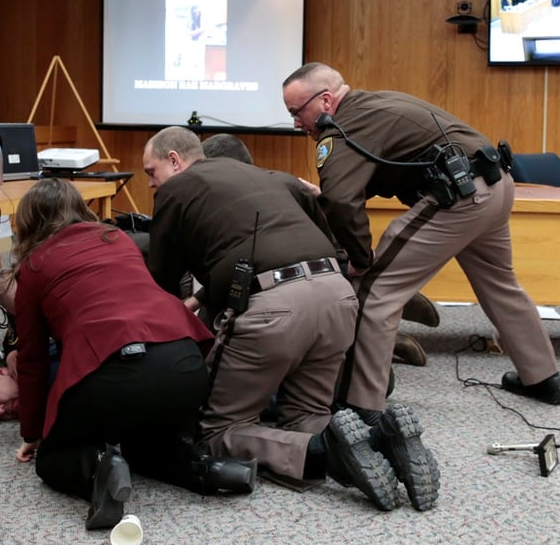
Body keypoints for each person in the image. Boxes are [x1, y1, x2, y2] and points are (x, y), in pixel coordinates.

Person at [143, 126, 440, 512]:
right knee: (306, 414)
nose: (151, 184)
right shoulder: (277, 178)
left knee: (214, 431)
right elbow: (335, 245)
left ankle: (326, 453)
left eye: (151, 172)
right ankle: (381, 437)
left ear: (174, 160)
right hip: (337, 298)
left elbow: (162, 280)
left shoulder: (176, 189)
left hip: (274, 309)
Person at [280, 62, 560, 422]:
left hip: (458, 197)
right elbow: (366, 179)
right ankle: (542, 378)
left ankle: (361, 405)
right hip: (496, 185)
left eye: (296, 112)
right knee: (500, 285)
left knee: (375, 290)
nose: (295, 122)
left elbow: (341, 202)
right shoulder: (375, 104)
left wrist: (360, 258)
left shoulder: (339, 129)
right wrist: (332, 196)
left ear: (325, 101)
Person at [8, 178, 256, 530]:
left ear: (29, 222)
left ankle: (98, 471)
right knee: (142, 443)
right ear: (80, 209)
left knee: (52, 459)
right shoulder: (118, 239)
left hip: (113, 374)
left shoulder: (33, 267)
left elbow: (31, 361)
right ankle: (209, 469)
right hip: (184, 367)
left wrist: (33, 433)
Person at [199, 132, 437, 367]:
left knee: (216, 315)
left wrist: (194, 302)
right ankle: (381, 310)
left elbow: (232, 269)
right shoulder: (284, 182)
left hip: (283, 293)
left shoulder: (226, 202)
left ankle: (382, 333)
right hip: (332, 273)